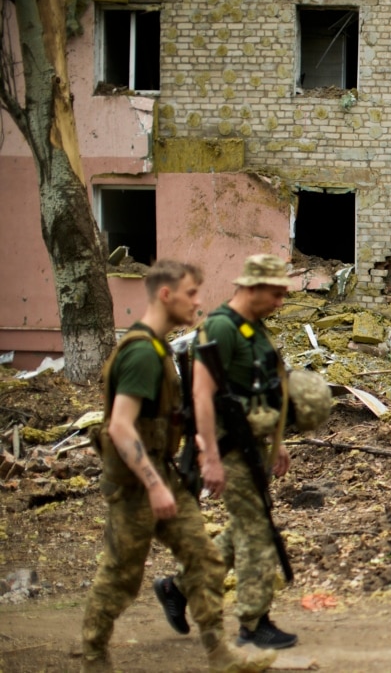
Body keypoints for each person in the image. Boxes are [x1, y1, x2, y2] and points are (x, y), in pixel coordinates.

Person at [81, 260, 275, 673]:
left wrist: (200, 442)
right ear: (166, 294)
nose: (199, 301)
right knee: (120, 576)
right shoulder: (140, 353)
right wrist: (153, 485)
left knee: (205, 559)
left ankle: (219, 654)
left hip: (162, 472)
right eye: (191, 293)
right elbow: (119, 425)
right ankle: (94, 658)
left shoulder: (160, 347)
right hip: (135, 485)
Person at [154, 254, 298, 649]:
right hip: (226, 447)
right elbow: (201, 394)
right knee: (256, 532)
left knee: (245, 527)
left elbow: (264, 390)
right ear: (251, 287)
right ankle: (253, 622)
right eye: (275, 293)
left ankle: (178, 588)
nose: (279, 302)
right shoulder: (219, 327)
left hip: (252, 445)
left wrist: (277, 442)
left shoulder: (255, 329)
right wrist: (210, 458)